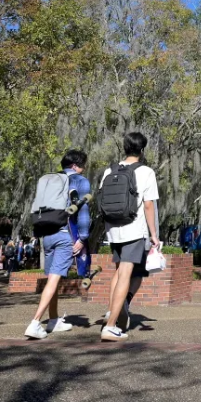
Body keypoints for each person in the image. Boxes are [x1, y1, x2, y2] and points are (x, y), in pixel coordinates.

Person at [24, 150, 91, 339]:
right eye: (83, 166)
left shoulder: (51, 180)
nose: (83, 169)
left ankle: (53, 319)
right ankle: (35, 322)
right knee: (54, 279)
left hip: (47, 234)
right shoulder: (79, 180)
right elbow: (83, 210)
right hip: (64, 235)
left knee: (52, 279)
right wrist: (83, 238)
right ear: (75, 166)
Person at [100, 132, 160, 342]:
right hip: (134, 229)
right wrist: (154, 234)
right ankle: (109, 327)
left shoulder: (110, 170)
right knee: (126, 274)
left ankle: (111, 312)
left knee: (117, 273)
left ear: (124, 148)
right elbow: (149, 205)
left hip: (113, 230)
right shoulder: (146, 172)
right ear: (142, 151)